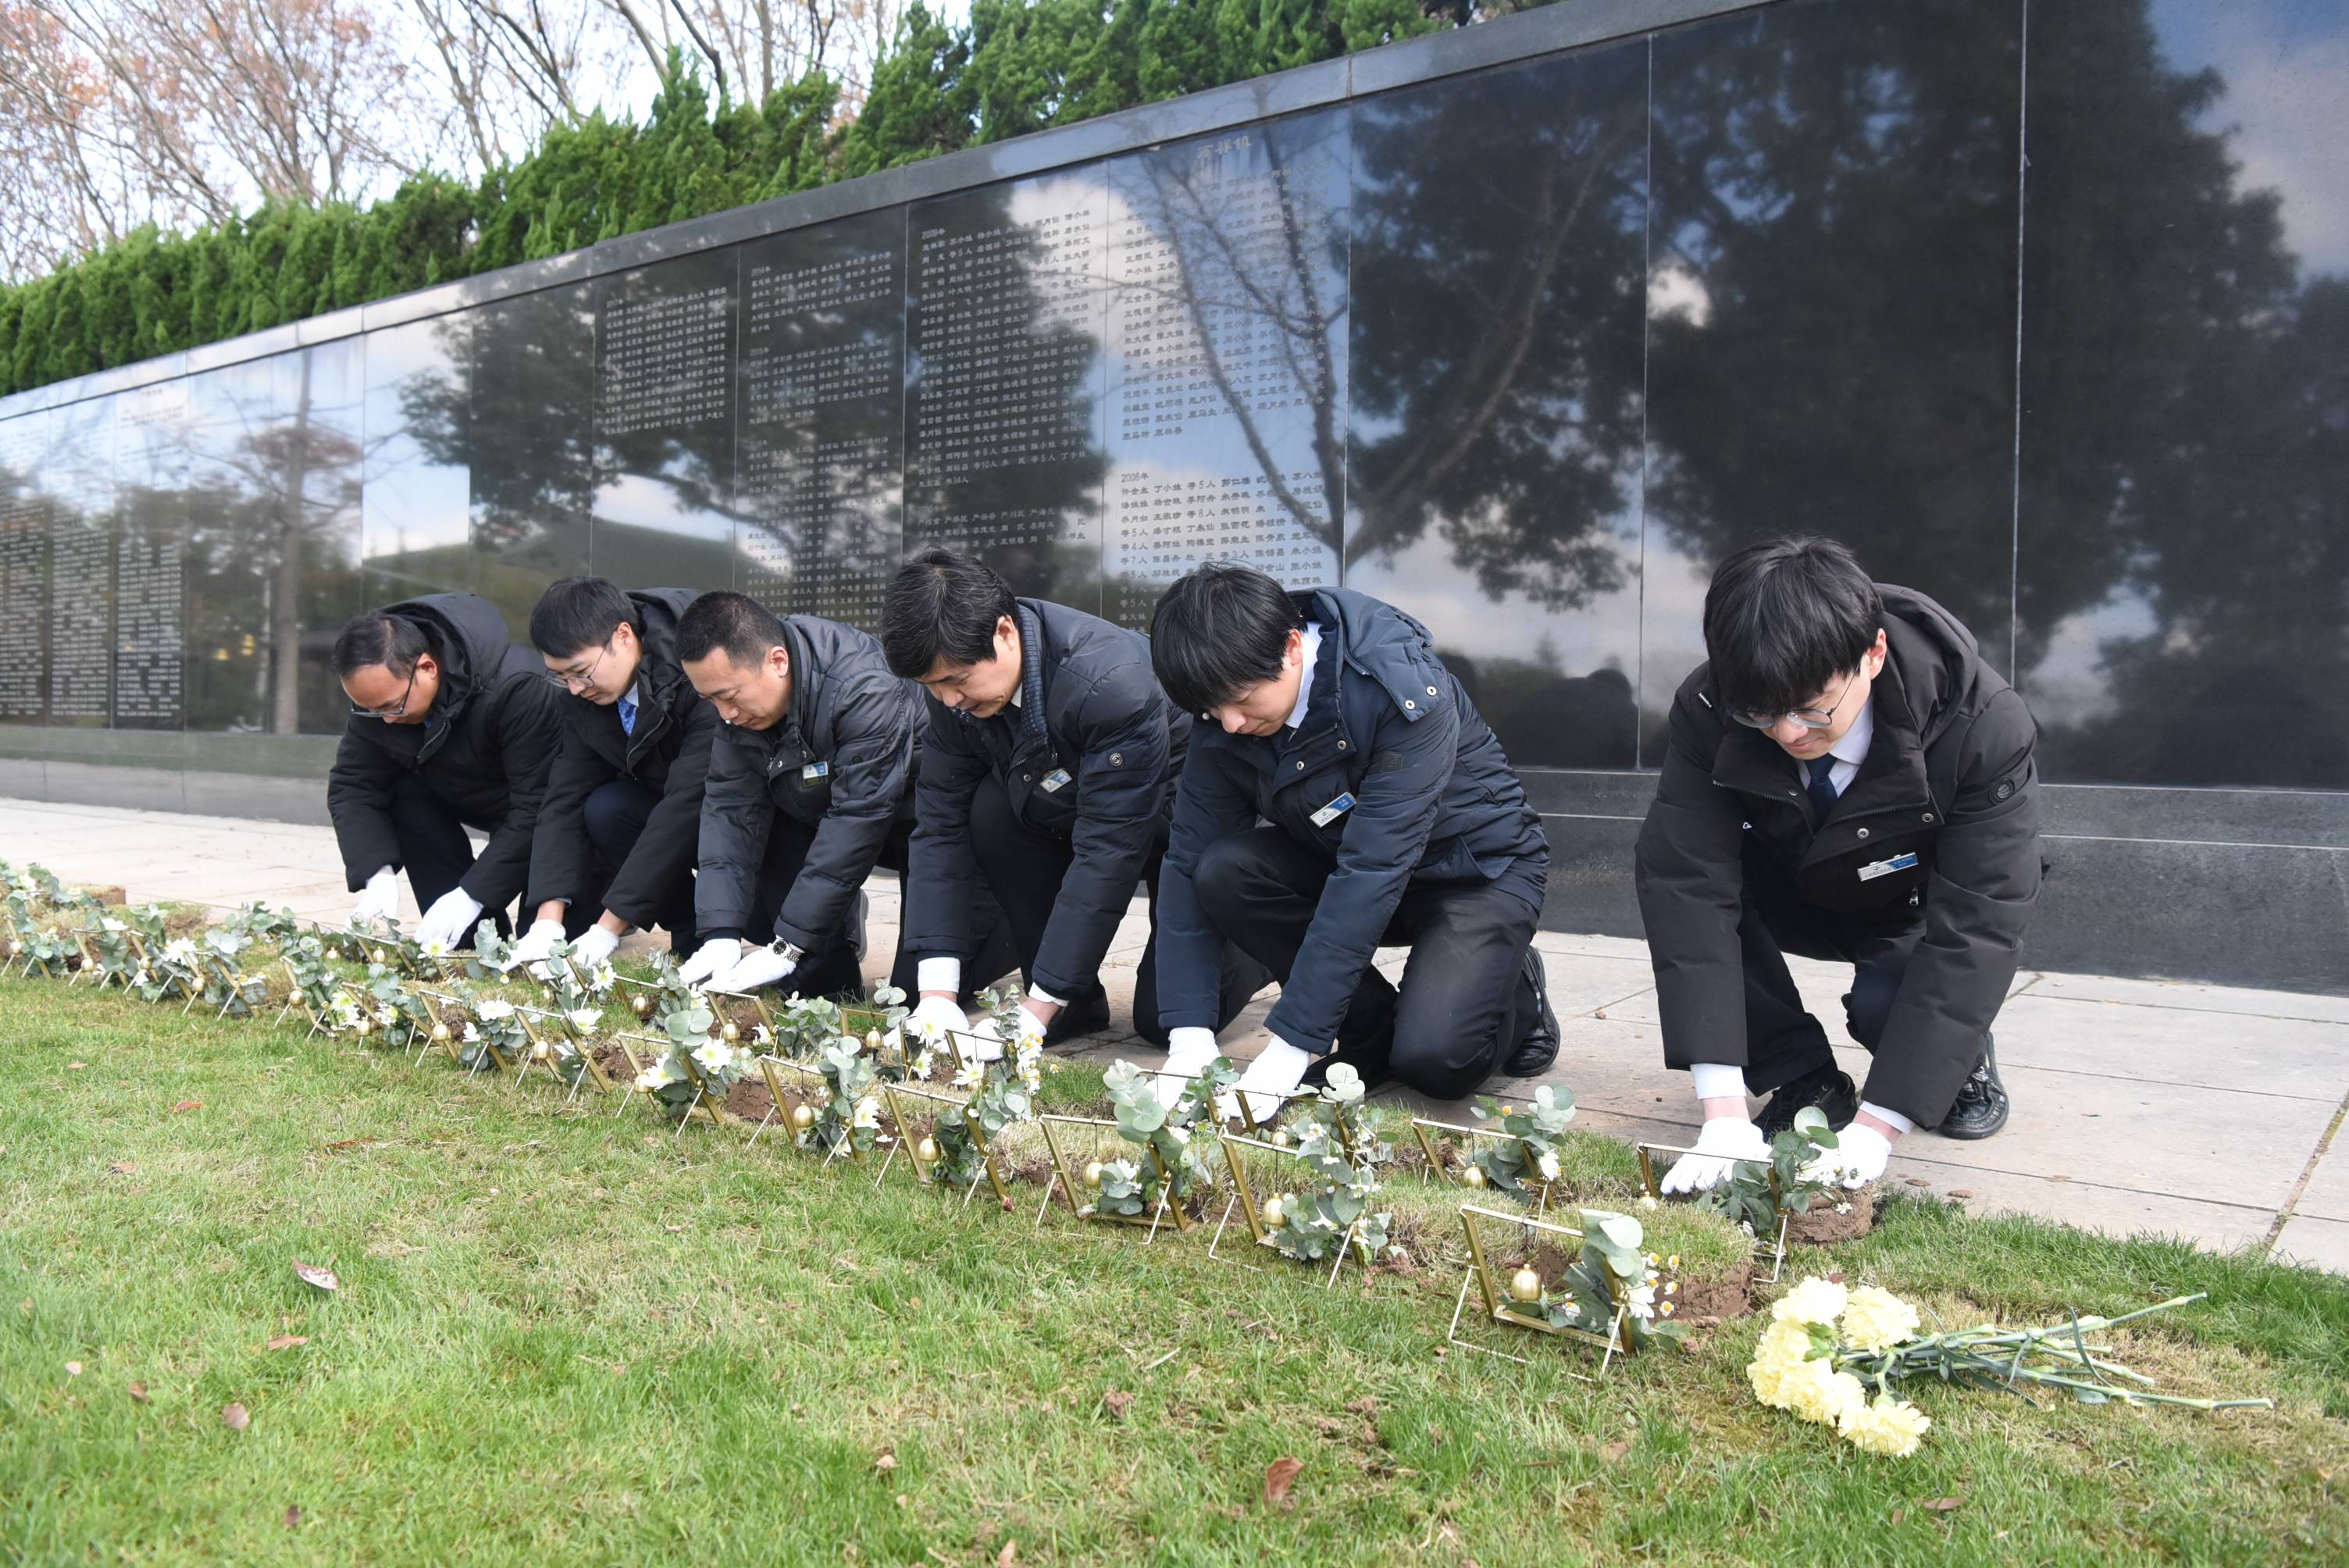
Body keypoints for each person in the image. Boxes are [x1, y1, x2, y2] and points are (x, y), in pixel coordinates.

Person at [1637, 536, 2037, 1198]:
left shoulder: (1982, 723)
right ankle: (1802, 1070)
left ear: (1872, 654)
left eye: (1813, 707)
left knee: (1889, 1008)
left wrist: (1877, 1130)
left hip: (1910, 899)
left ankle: (1954, 1063)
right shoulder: (1710, 707)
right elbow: (1686, 879)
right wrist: (1724, 1114)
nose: (1790, 734)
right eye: (1762, 713)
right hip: (1790, 882)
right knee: (1683, 881)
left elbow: (1979, 922)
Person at [1148, 564, 1559, 1117]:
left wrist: (1293, 1044)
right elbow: (1188, 856)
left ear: (1293, 647)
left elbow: (1372, 869)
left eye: (1242, 700)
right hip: (1347, 859)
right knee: (1224, 870)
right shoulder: (1226, 703)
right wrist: (1190, 1038)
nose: (1230, 725)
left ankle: (1518, 986)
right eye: (1210, 709)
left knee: (1437, 1062)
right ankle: (1371, 1032)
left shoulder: (1398, 688)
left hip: (1473, 872)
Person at [879, 548, 1268, 1058]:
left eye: (955, 682)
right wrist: (935, 996)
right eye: (933, 687)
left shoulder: (1108, 685)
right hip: (1082, 803)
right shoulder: (956, 688)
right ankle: (1074, 1001)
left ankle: (1263, 946)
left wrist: (1036, 1010)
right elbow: (939, 828)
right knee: (991, 812)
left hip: (1179, 822)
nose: (949, 700)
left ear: (1004, 633)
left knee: (1161, 1019)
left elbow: (1107, 854)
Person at [667, 590, 985, 1000]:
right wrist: (721, 932)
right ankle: (827, 967)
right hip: (832, 809)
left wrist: (788, 946)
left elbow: (858, 818)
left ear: (777, 661)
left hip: (920, 821)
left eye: (728, 696)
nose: (724, 714)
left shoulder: (861, 687)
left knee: (912, 995)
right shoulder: (739, 713)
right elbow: (730, 809)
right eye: (710, 700)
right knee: (810, 982)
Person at [328, 593, 568, 950]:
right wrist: (375, 872)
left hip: (541, 809)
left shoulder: (517, 686)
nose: (388, 720)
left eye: (393, 706)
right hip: (456, 790)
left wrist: (472, 894)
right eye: (371, 710)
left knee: (547, 943)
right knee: (402, 794)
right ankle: (467, 937)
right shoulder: (379, 705)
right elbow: (352, 784)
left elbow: (538, 806)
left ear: (427, 667)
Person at [508, 579, 718, 975]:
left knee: (772, 920)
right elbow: (565, 796)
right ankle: (688, 925)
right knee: (606, 809)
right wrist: (548, 921)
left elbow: (685, 804)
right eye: (560, 676)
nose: (573, 688)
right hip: (666, 808)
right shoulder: (583, 696)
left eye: (580, 671)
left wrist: (606, 930)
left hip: (734, 817)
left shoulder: (699, 670)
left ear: (623, 636)